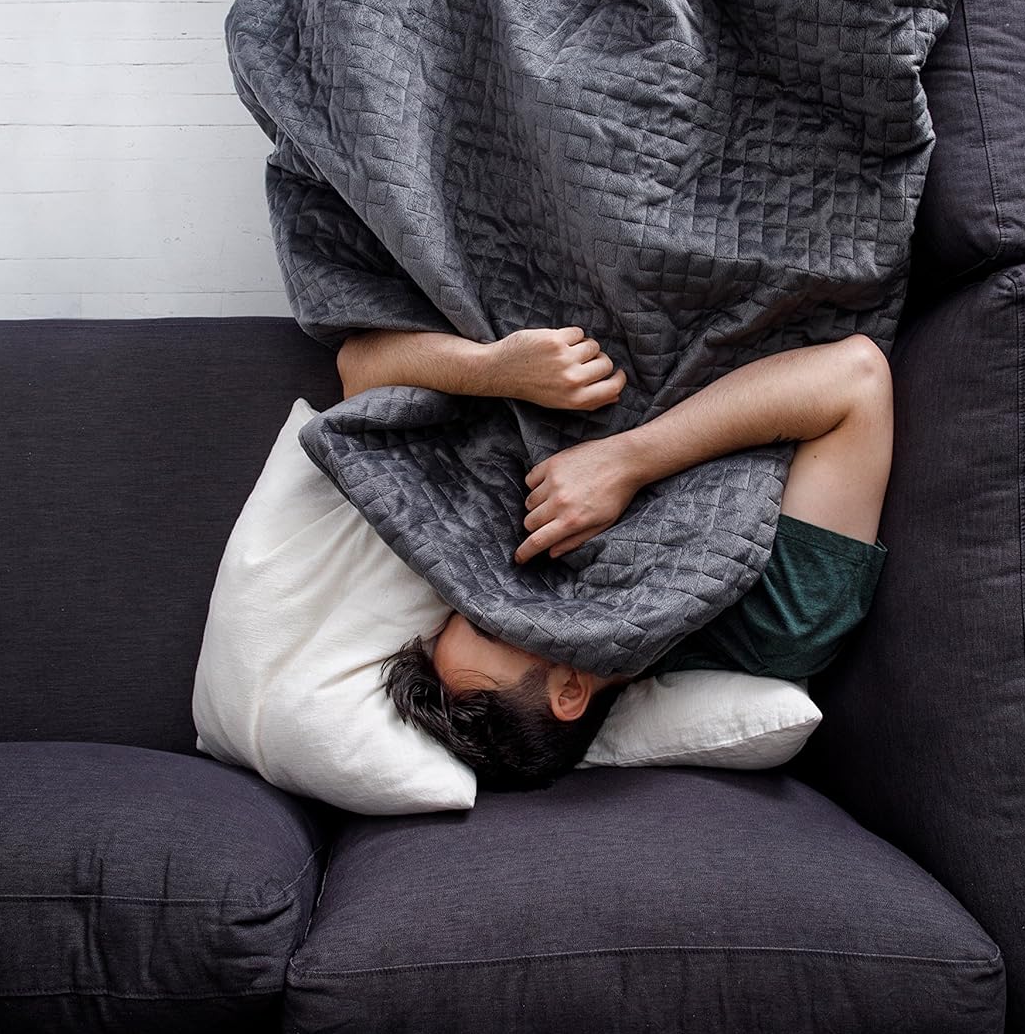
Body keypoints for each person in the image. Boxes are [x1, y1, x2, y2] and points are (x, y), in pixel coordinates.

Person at [336, 325, 892, 792]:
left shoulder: (484, 547)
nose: (493, 590)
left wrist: (495, 368)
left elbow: (357, 367)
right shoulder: (781, 621)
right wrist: (629, 460)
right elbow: (855, 377)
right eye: (497, 624)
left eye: (470, 601)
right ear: (569, 691)